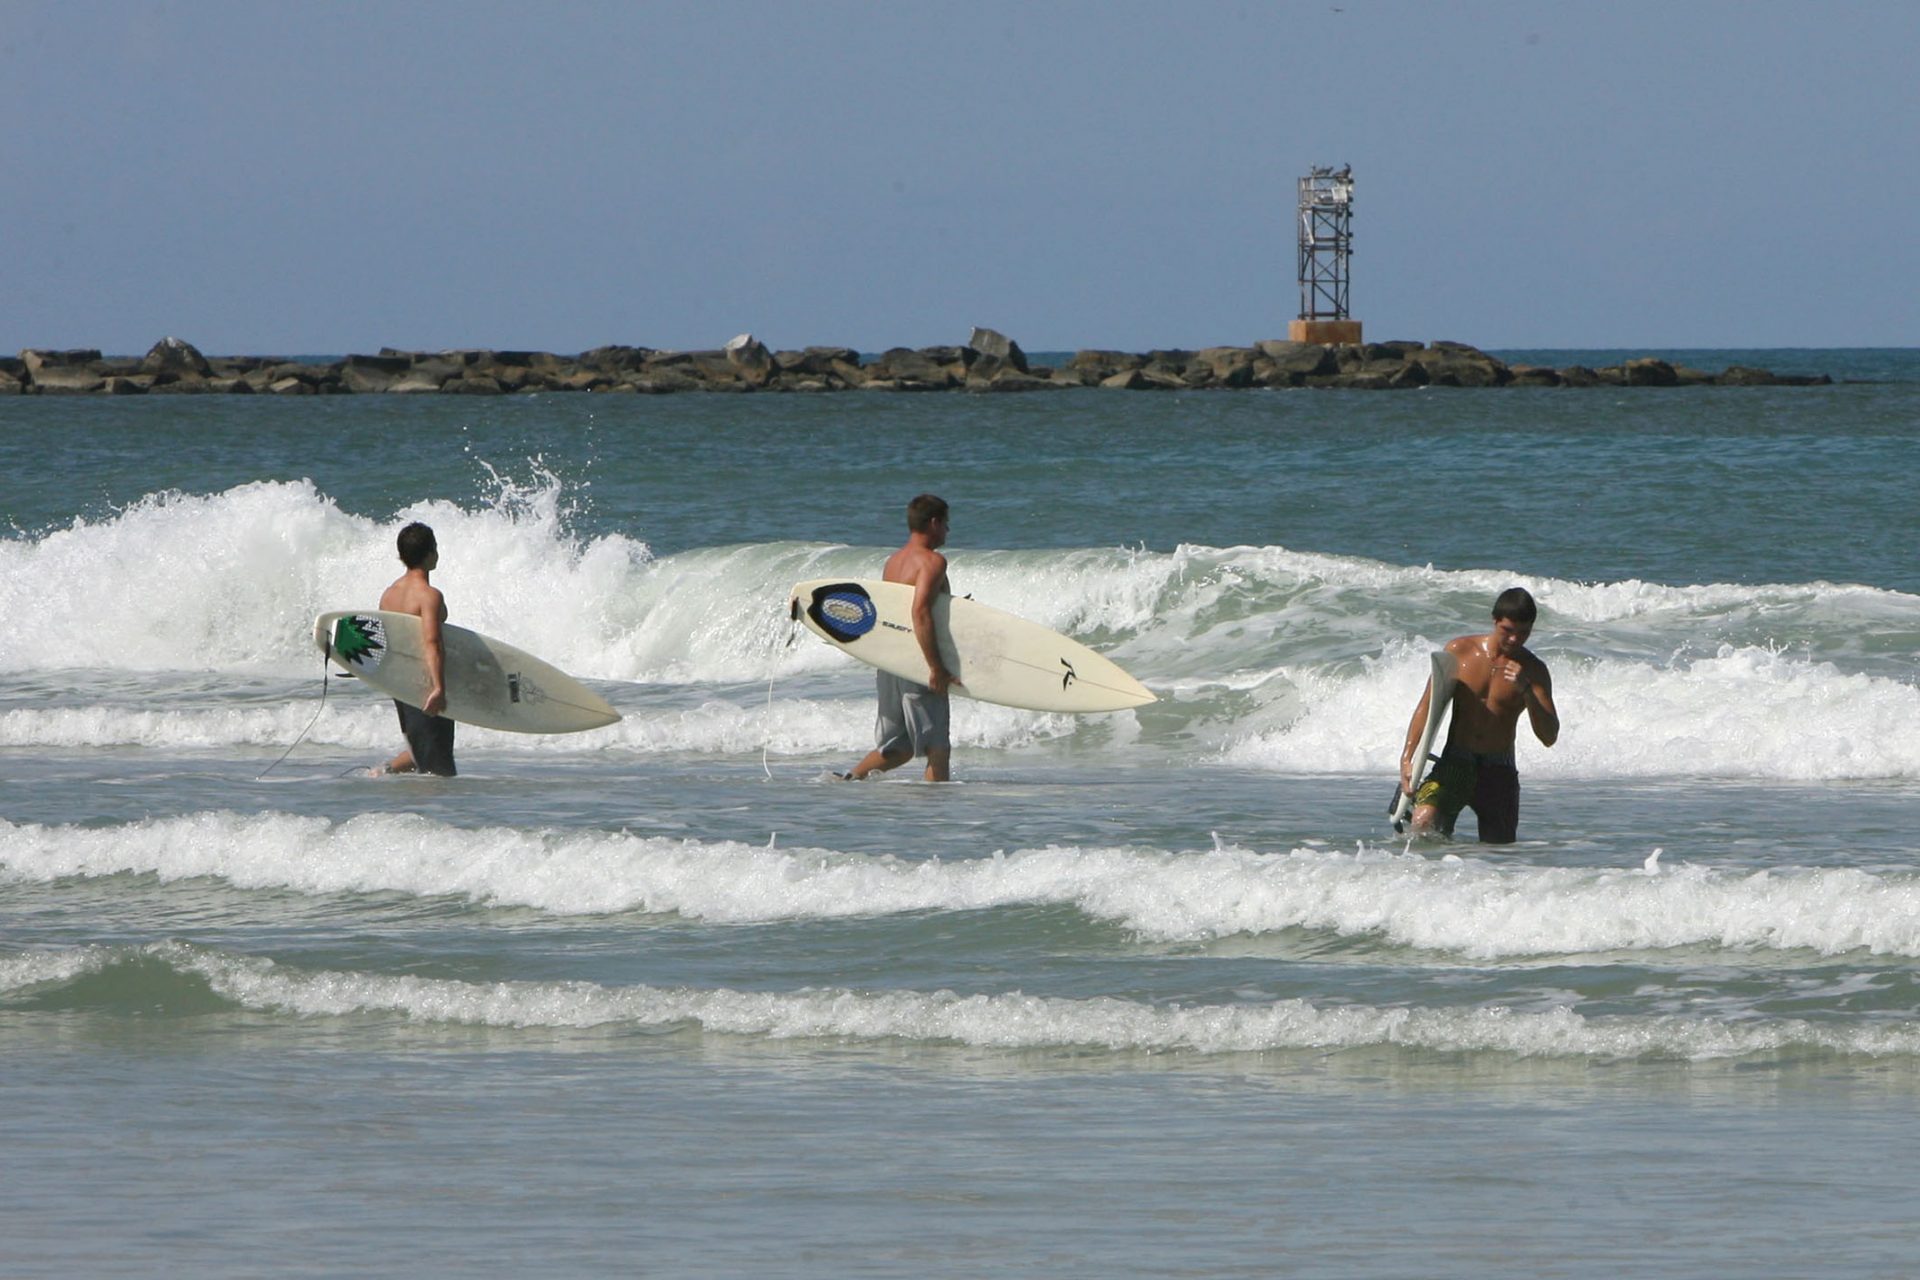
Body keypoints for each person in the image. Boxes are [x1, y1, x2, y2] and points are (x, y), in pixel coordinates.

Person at [1398, 587, 1559, 842]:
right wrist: (1408, 758)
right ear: (1495, 620)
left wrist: (1526, 691)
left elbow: (1549, 736)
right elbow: (1428, 706)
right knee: (1422, 826)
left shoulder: (1534, 671)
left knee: (1498, 853)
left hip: (1498, 770)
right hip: (1455, 762)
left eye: (1523, 632)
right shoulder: (1459, 651)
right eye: (1508, 630)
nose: (1515, 640)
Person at [841, 493, 959, 782]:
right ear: (933, 523)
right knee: (937, 749)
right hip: (917, 662)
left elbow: (893, 615)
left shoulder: (893, 562)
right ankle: (934, 819)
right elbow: (919, 612)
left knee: (897, 749)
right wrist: (935, 667)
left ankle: (845, 783)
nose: (947, 530)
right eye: (945, 524)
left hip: (890, 662)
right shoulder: (932, 562)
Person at [378, 521, 455, 776]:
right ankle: (432, 814)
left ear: (402, 556)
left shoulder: (388, 595)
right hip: (425, 682)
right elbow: (432, 643)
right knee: (439, 768)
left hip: (400, 682)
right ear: (432, 553)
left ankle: (384, 771)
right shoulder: (429, 595)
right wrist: (439, 687)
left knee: (421, 746)